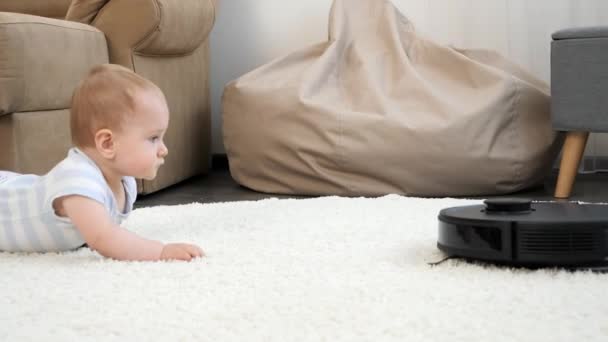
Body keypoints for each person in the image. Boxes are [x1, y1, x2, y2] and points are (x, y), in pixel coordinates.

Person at [0, 64, 204, 261]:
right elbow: (104, 238)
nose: (163, 149)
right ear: (107, 143)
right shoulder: (77, 179)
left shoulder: (125, 183)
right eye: (153, 138)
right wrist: (160, 251)